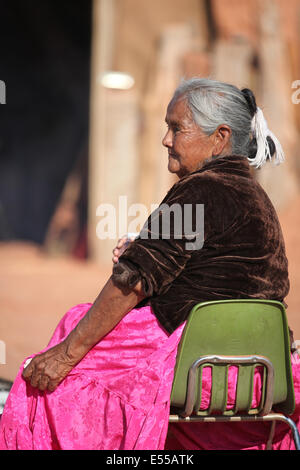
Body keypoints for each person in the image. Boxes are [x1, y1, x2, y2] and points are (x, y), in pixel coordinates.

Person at [0, 78, 299, 450]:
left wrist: (64, 356)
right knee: (76, 322)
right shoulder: (253, 195)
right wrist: (139, 252)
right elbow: (212, 277)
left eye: (177, 128)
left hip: (195, 367)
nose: (166, 140)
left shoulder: (200, 190)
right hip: (254, 372)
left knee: (49, 376)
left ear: (220, 137)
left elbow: (133, 281)